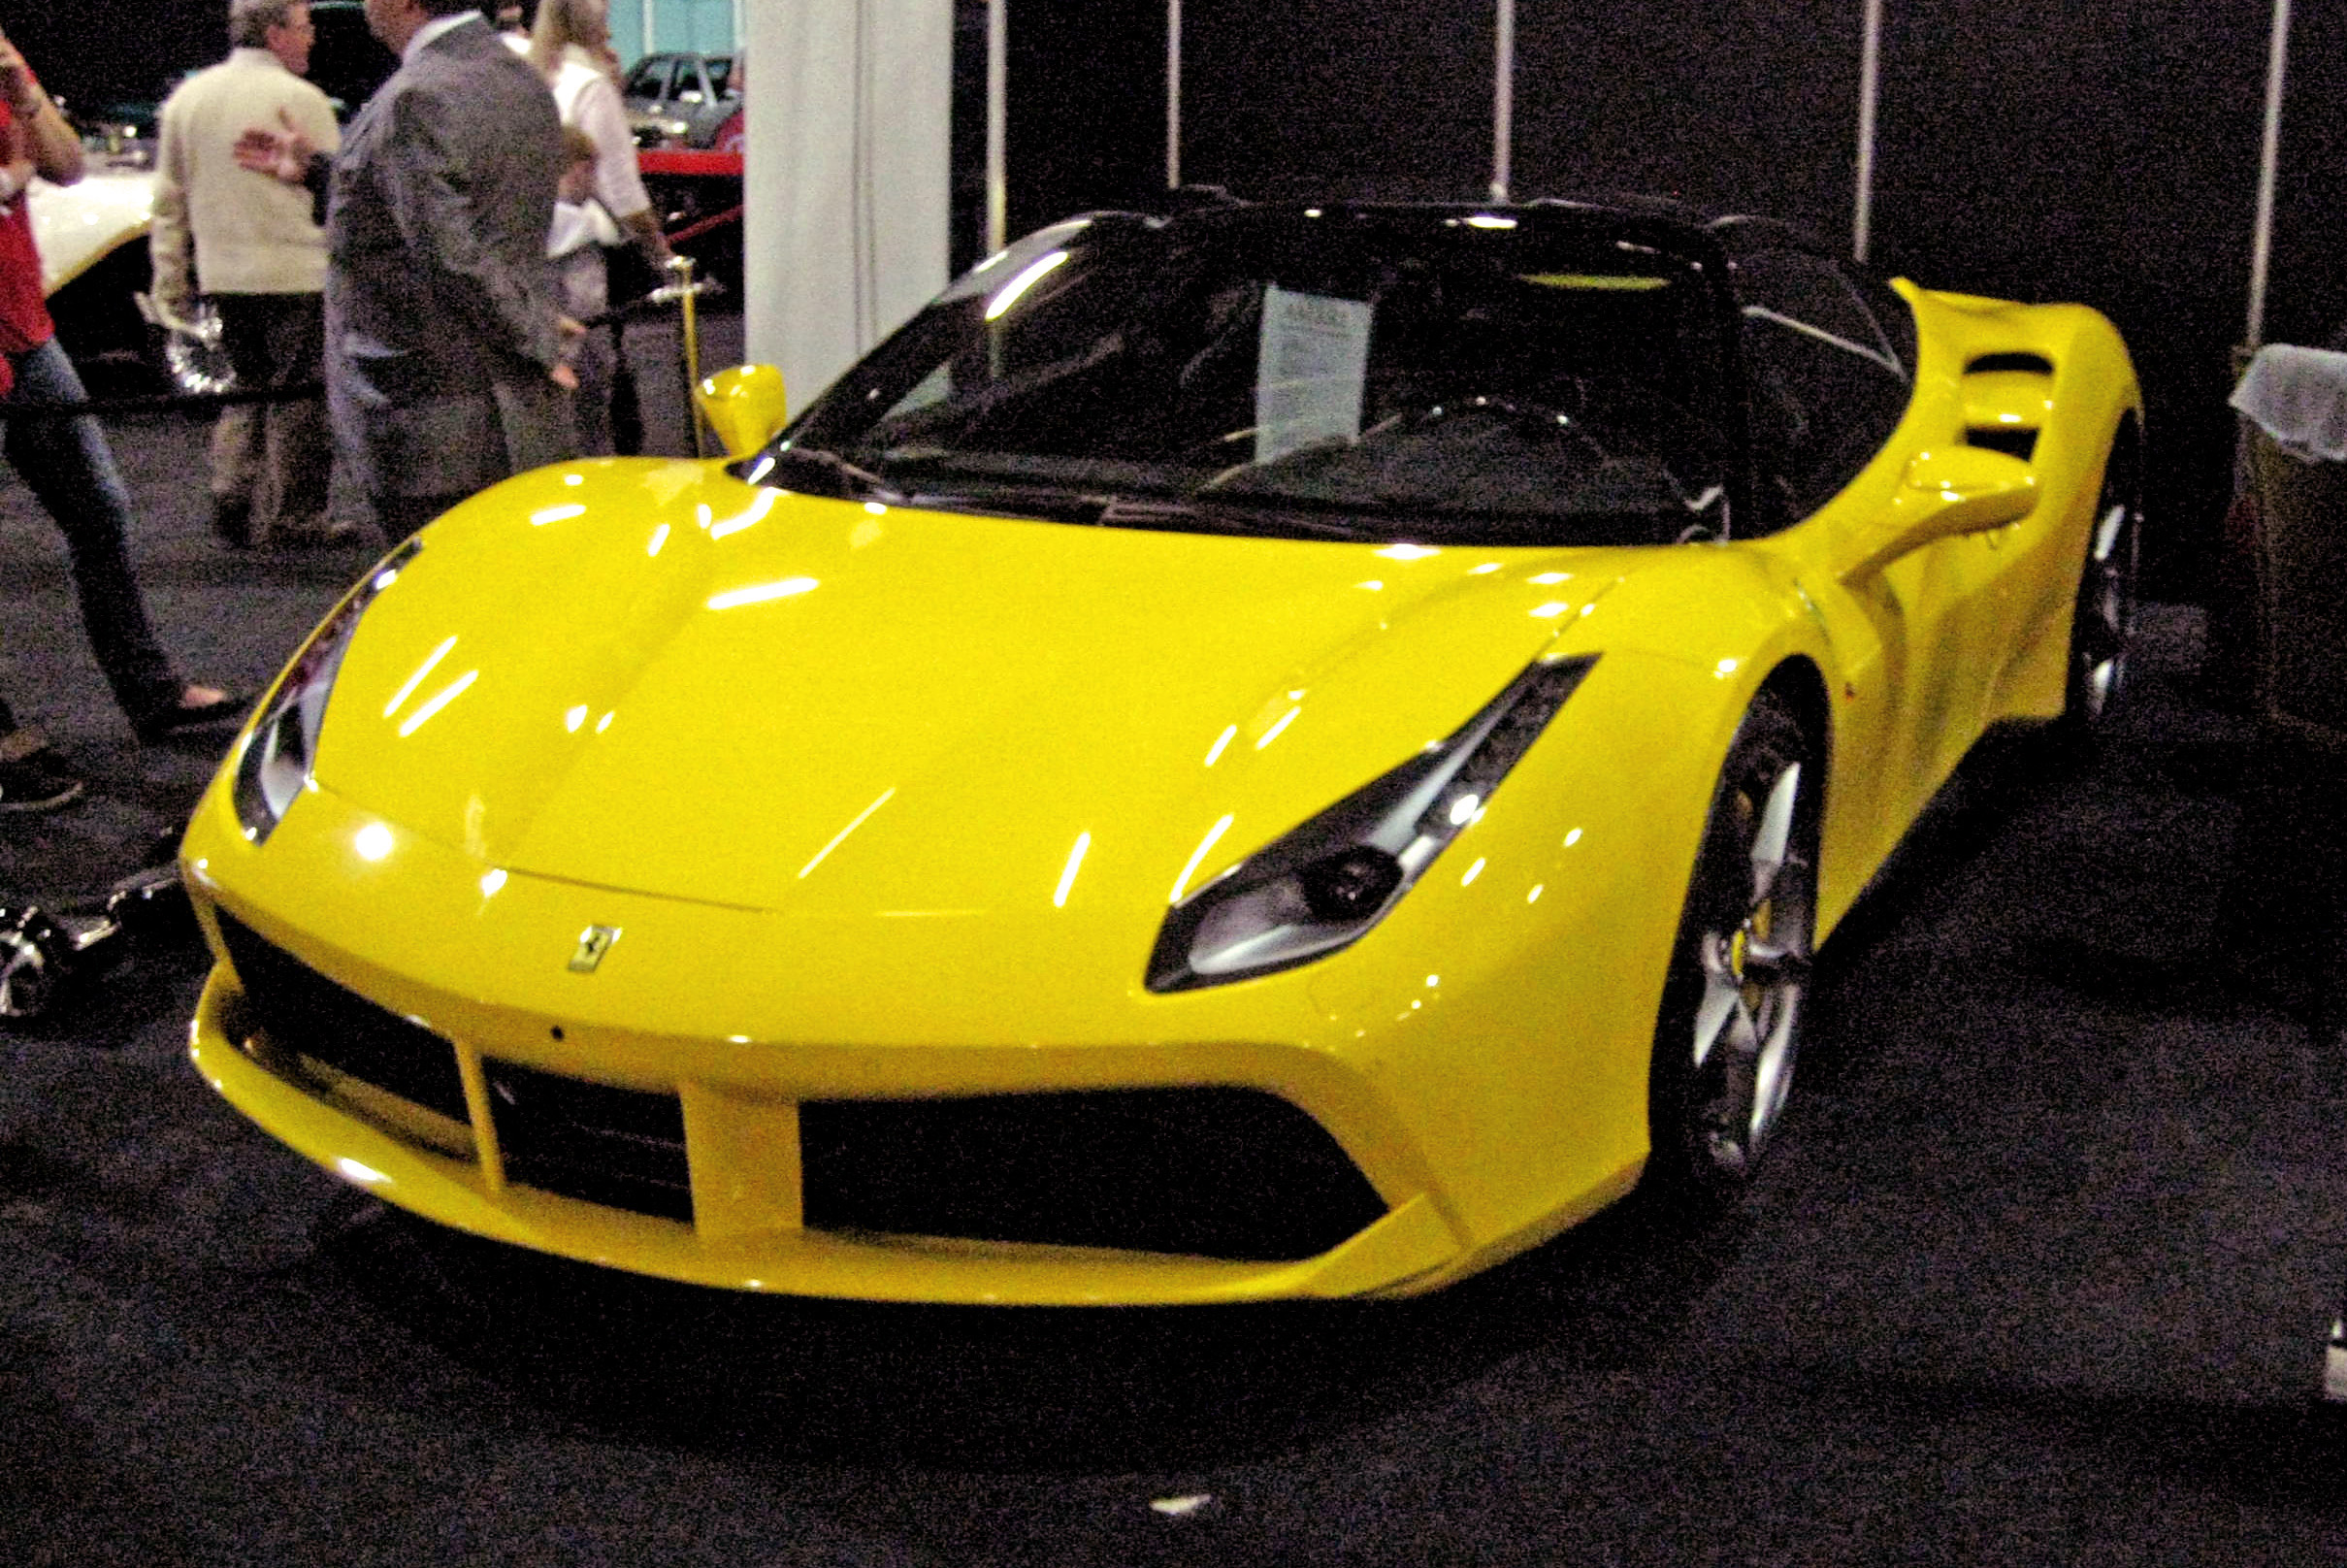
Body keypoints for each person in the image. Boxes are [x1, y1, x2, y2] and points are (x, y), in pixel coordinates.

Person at [0, 24, 241, 799]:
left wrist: (23, 96)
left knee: (100, 509)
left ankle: (149, 689)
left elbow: (67, 165)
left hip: (26, 330)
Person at [244, 0, 579, 539]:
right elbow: (460, 212)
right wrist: (323, 173)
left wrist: (536, 341)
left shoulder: (416, 95)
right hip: (507, 410)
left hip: (434, 416)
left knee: (445, 581)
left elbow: (450, 251)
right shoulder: (517, 76)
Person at [150, 0, 346, 550]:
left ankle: (231, 492)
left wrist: (170, 279)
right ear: (276, 32)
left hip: (224, 275)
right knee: (300, 399)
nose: (312, 38)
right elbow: (341, 199)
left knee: (247, 386)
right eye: (305, 27)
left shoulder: (188, 99)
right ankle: (296, 515)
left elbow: (168, 202)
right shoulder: (303, 101)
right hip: (298, 274)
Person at [527, 0, 668, 454]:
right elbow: (620, 188)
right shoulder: (590, 86)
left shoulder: (529, 75)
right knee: (591, 376)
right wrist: (660, 252)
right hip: (578, 253)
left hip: (530, 245)